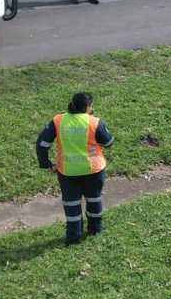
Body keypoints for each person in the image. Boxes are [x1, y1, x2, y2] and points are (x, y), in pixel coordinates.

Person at [36, 92, 114, 244]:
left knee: (71, 204)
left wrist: (46, 164)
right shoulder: (94, 122)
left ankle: (73, 236)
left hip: (67, 172)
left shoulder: (58, 121)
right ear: (87, 107)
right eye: (91, 105)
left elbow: (42, 144)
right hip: (93, 170)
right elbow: (109, 142)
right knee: (94, 199)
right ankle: (95, 230)